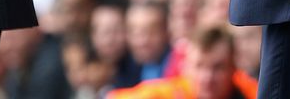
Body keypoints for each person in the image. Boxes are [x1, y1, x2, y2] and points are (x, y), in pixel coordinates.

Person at [106, 25, 258, 99]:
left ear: (234, 66)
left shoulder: (251, 92)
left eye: (218, 68)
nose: (207, 77)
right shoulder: (167, 94)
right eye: (199, 66)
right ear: (184, 66)